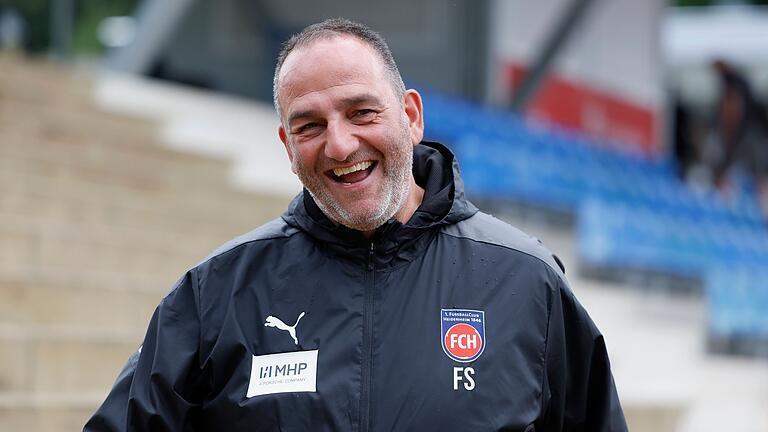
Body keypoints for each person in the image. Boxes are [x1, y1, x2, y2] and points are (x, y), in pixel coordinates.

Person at [85, 18, 627, 431]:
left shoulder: (525, 280)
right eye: (310, 125)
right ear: (287, 146)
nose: (340, 145)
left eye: (362, 112)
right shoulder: (216, 293)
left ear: (411, 116)